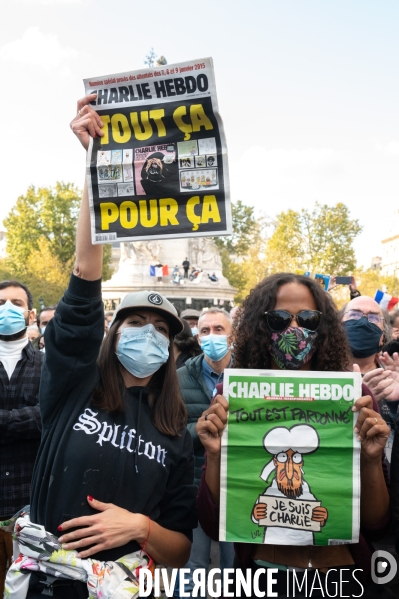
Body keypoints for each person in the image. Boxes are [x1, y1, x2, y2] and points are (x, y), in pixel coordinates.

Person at [8, 94, 197, 599]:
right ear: (113, 335)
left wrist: (140, 527)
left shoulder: (176, 432)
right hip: (43, 586)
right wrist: (93, 162)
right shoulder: (74, 383)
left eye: (162, 330)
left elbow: (180, 548)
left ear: (174, 349)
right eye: (136, 321)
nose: (149, 334)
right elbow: (85, 276)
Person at [196, 273, 390, 598]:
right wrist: (216, 455)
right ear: (260, 327)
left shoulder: (356, 398)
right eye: (279, 319)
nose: (295, 330)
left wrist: (371, 459)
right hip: (262, 581)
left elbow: (377, 525)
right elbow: (213, 525)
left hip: (341, 578)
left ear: (324, 327)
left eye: (309, 319)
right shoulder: (230, 399)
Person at [174, 308, 235, 597]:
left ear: (232, 336)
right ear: (198, 338)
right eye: (205, 331)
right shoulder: (179, 378)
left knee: (234, 572)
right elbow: (169, 435)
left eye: (219, 330)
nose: (212, 336)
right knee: (191, 571)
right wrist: (198, 431)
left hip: (239, 489)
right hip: (196, 489)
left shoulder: (252, 375)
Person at [0, 280, 43, 595]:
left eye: (16, 303)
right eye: (1, 303)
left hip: (31, 506)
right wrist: (25, 419)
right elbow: (37, 417)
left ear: (30, 314)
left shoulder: (48, 365)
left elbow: (50, 418)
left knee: (27, 589)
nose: (8, 309)